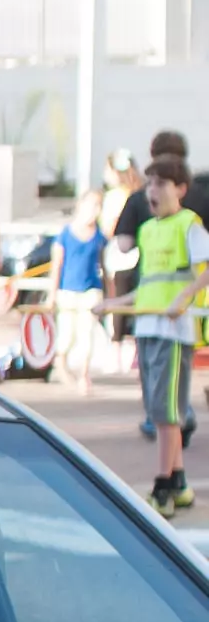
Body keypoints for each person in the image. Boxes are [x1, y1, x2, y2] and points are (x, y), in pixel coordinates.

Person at [96, 156, 208, 514]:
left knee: (165, 411)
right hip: (147, 326)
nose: (152, 191)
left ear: (181, 190)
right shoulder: (148, 230)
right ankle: (177, 480)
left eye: (160, 184)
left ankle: (162, 487)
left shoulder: (188, 225)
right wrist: (114, 303)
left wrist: (184, 297)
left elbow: (203, 272)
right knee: (157, 406)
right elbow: (147, 287)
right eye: (149, 184)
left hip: (173, 331)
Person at [51, 189, 110, 386]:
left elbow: (104, 266)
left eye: (98, 206)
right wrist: (52, 295)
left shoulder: (99, 236)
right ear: (81, 206)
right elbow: (57, 265)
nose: (94, 211)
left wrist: (109, 294)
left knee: (87, 332)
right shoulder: (66, 234)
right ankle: (61, 361)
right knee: (67, 333)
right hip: (68, 290)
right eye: (91, 205)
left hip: (91, 289)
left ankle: (84, 373)